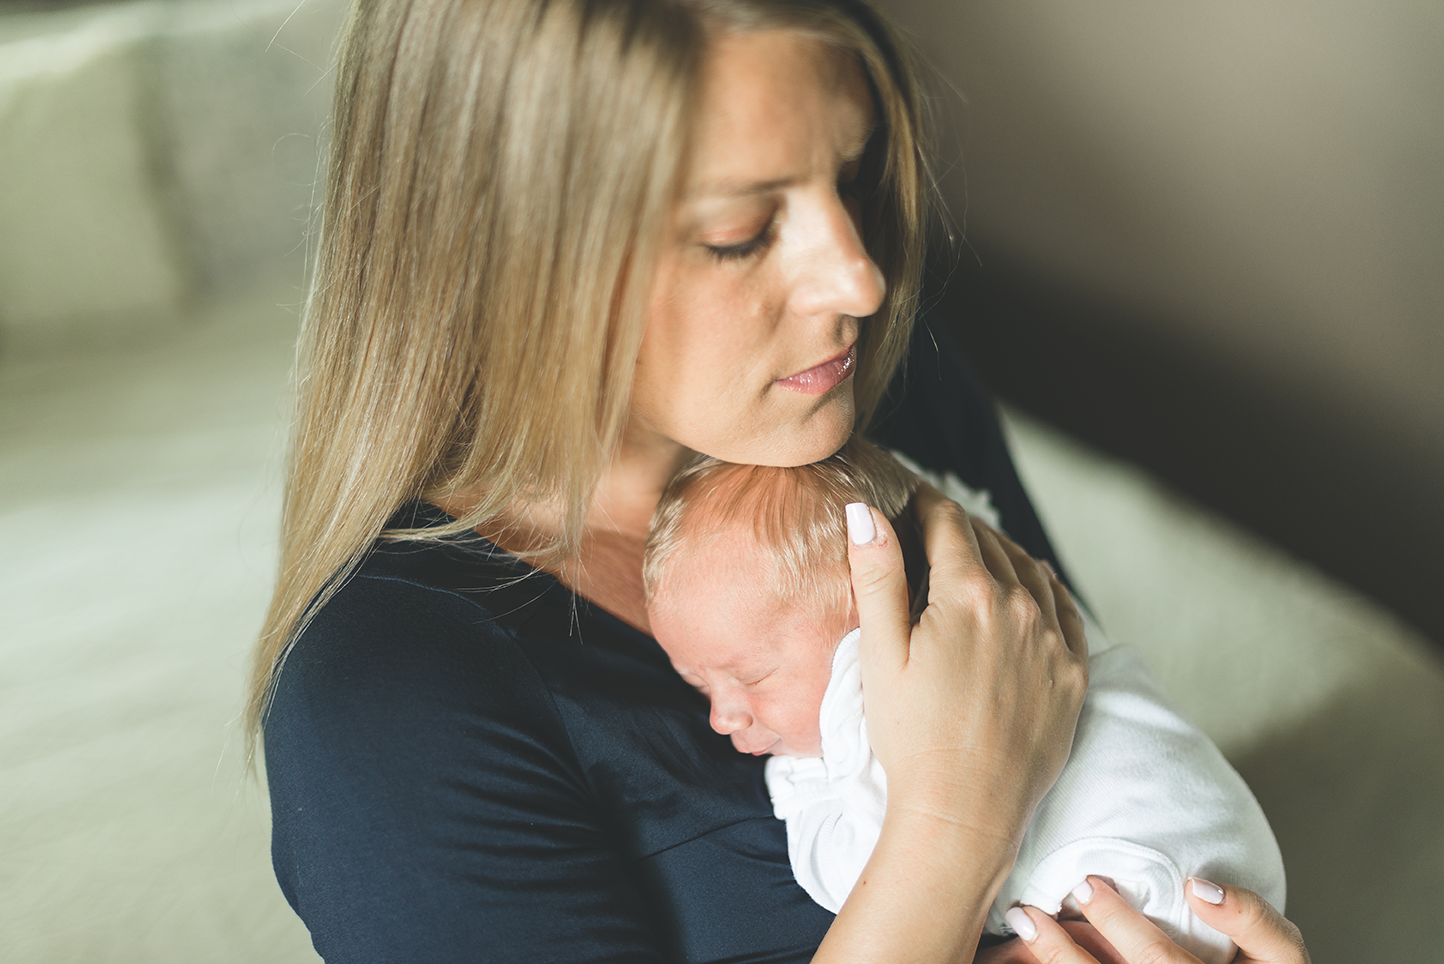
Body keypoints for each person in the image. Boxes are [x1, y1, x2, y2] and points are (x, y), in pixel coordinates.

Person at [251, 0, 1313, 960]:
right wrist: (950, 826)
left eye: (849, 177)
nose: (860, 278)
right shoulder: (388, 700)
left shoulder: (894, 405)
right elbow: (996, 783)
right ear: (507, 253)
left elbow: (1105, 756)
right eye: (740, 232)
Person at [642, 437, 1286, 964]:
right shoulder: (984, 571)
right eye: (697, 683)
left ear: (880, 613)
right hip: (1226, 861)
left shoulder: (874, 707)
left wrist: (803, 783)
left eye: (752, 677)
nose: (720, 716)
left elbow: (861, 878)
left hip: (1141, 896)